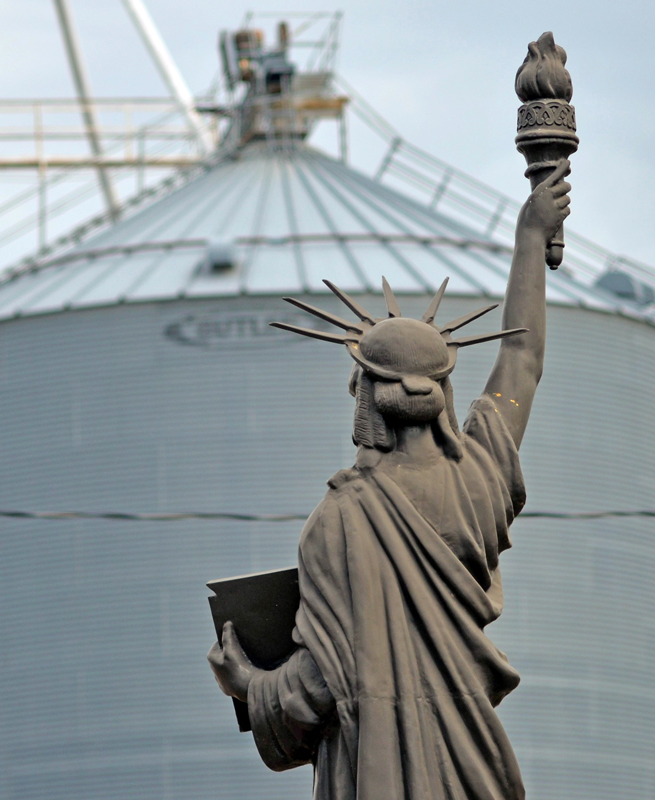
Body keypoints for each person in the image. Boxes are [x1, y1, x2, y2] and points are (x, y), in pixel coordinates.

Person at [208, 159, 572, 800]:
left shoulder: (340, 521)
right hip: (473, 768)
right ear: (444, 392)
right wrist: (529, 238)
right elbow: (522, 358)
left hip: (376, 775)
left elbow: (325, 683)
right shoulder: (478, 480)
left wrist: (250, 684)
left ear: (365, 398)